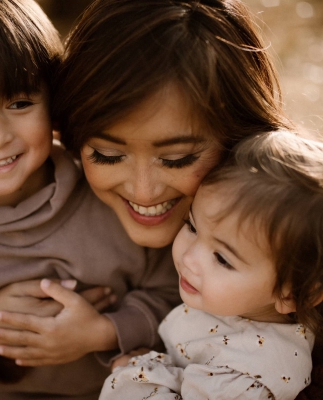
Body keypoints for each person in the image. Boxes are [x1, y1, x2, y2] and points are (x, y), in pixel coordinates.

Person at [0, 0, 303, 398]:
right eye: (108, 156)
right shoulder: (61, 206)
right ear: (69, 136)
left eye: (177, 158)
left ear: (241, 136)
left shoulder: (296, 231)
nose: (144, 192)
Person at [0, 1, 182, 399]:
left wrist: (105, 331)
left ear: (56, 107)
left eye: (20, 103)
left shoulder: (119, 204)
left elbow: (181, 303)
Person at [99, 130, 323, 400]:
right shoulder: (238, 304)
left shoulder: (250, 376)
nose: (189, 258)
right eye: (192, 226)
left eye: (222, 258)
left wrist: (133, 371)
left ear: (292, 292)